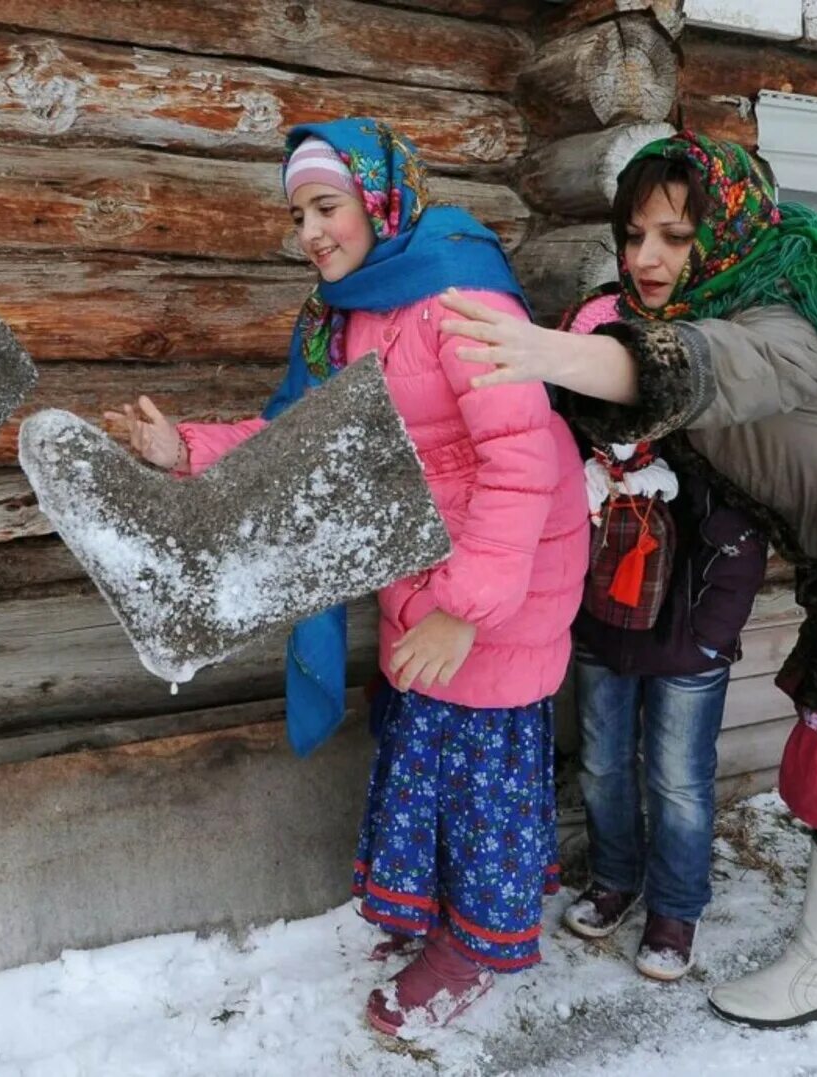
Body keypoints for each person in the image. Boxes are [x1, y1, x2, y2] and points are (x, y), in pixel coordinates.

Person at [437, 130, 817, 1029]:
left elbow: (703, 366)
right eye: (635, 233)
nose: (646, 258)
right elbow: (654, 390)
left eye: (675, 238)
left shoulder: (788, 320)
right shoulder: (729, 301)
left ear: (724, 232)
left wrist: (543, 353)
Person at [105, 118, 588, 1035]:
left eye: (326, 206)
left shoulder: (461, 299)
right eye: (298, 215)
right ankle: (439, 914)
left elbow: (522, 461)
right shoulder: (353, 315)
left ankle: (479, 944)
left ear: (378, 197)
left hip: (499, 582)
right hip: (424, 573)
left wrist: (464, 612)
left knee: (478, 772)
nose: (311, 233)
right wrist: (185, 450)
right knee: (425, 753)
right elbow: (302, 445)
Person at [560, 293, 767, 982]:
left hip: (686, 639)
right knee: (604, 764)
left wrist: (711, 635)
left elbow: (740, 538)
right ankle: (615, 877)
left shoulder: (700, 437)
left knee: (677, 779)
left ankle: (676, 905)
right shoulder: (574, 443)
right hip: (601, 631)